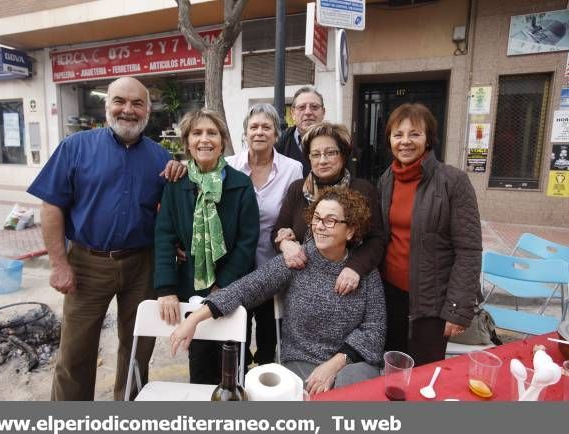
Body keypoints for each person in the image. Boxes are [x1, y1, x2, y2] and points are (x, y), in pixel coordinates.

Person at [27, 76, 172, 400]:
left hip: (141, 265)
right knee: (75, 352)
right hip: (86, 265)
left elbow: (170, 214)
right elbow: (51, 206)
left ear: (148, 109)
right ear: (107, 106)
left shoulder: (161, 158)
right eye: (120, 101)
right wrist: (58, 263)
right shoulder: (75, 147)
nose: (128, 110)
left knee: (138, 346)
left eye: (137, 103)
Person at [168, 188, 386, 395]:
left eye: (330, 220)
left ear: (350, 231)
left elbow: (375, 329)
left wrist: (335, 364)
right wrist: (195, 318)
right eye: (316, 218)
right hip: (302, 362)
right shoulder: (297, 260)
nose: (319, 226)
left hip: (352, 362)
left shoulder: (364, 271)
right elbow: (247, 288)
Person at [154, 108, 260, 385]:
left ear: (222, 142)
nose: (204, 139)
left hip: (233, 287)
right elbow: (164, 234)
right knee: (200, 364)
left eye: (212, 133)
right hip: (192, 288)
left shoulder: (240, 183)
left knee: (233, 363)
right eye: (196, 133)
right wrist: (166, 289)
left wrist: (222, 285)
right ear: (187, 142)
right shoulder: (176, 184)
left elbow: (248, 240)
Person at [378, 103, 482, 366]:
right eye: (397, 134)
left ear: (428, 139)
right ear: (389, 138)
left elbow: (468, 250)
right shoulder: (386, 179)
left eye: (414, 134)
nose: (405, 141)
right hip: (391, 297)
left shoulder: (453, 181)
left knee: (425, 374)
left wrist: (458, 309)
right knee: (393, 370)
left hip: (432, 302)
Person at [226, 103, 303, 367]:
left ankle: (266, 381)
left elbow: (296, 212)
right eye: (254, 127)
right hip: (236, 265)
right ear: (245, 133)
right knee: (238, 330)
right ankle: (239, 381)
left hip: (275, 264)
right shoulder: (228, 166)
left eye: (266, 127)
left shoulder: (293, 169)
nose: (259, 132)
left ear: (276, 134)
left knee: (270, 333)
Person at [272, 122, 384, 295]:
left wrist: (355, 268)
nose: (322, 160)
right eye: (315, 154)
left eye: (330, 153)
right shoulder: (297, 189)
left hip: (347, 285)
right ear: (309, 158)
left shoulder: (362, 190)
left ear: (343, 155)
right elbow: (277, 232)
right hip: (303, 287)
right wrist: (285, 244)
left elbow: (376, 240)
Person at [275, 86, 326, 177]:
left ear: (323, 112)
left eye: (314, 107)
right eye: (302, 107)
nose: (308, 112)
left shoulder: (339, 144)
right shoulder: (278, 145)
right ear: (292, 114)